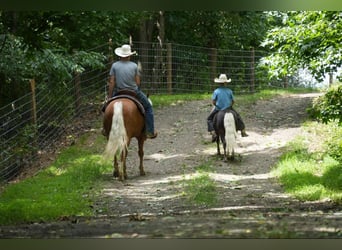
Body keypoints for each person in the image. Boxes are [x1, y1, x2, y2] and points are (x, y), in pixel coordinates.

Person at [107, 44, 157, 139]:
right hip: (133, 91)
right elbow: (137, 82)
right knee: (148, 107)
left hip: (118, 92)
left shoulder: (114, 65)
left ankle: (105, 130)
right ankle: (150, 131)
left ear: (120, 55)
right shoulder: (134, 66)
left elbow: (112, 82)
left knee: (106, 108)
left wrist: (110, 96)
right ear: (129, 55)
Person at [207, 74, 248, 142]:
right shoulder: (229, 91)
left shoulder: (216, 91)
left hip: (218, 109)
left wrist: (217, 106)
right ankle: (242, 130)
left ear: (219, 83)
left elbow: (213, 101)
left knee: (209, 119)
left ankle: (213, 132)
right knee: (238, 116)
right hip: (228, 108)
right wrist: (230, 105)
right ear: (226, 83)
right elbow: (233, 101)